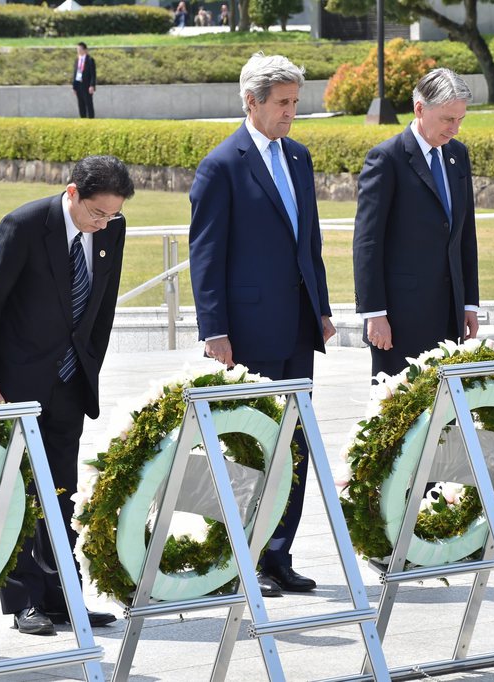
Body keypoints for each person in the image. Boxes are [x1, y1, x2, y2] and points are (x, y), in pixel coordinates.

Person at [0, 155, 134, 636]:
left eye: (112, 216)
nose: (103, 224)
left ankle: (63, 597)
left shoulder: (111, 232)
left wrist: (89, 369)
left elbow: (102, 307)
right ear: (73, 193)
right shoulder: (23, 225)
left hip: (70, 382)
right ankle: (23, 602)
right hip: (16, 382)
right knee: (19, 491)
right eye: (97, 214)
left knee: (62, 492)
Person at [189, 53, 335, 597]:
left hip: (298, 328)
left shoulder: (298, 157)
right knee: (251, 450)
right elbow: (206, 255)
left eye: (296, 103)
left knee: (293, 446)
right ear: (251, 102)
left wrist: (320, 310)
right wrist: (214, 331)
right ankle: (240, 560)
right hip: (247, 334)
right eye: (282, 103)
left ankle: (278, 555)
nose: (291, 113)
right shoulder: (222, 165)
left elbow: (309, 242)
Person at [353, 68, 480, 378]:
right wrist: (375, 314)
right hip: (399, 319)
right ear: (420, 108)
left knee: (444, 413)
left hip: (449, 313)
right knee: (398, 414)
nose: (456, 129)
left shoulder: (457, 155)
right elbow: (367, 243)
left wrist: (470, 303)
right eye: (448, 120)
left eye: (460, 119)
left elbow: (465, 234)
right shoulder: (386, 159)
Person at [72, 42, 96, 119]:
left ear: (85, 50)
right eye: (77, 49)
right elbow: (75, 73)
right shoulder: (77, 60)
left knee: (88, 103)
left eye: (79, 49)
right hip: (79, 84)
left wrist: (92, 85)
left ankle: (91, 120)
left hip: (87, 85)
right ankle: (83, 119)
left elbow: (93, 74)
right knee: (80, 104)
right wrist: (74, 87)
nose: (78, 51)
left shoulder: (90, 60)